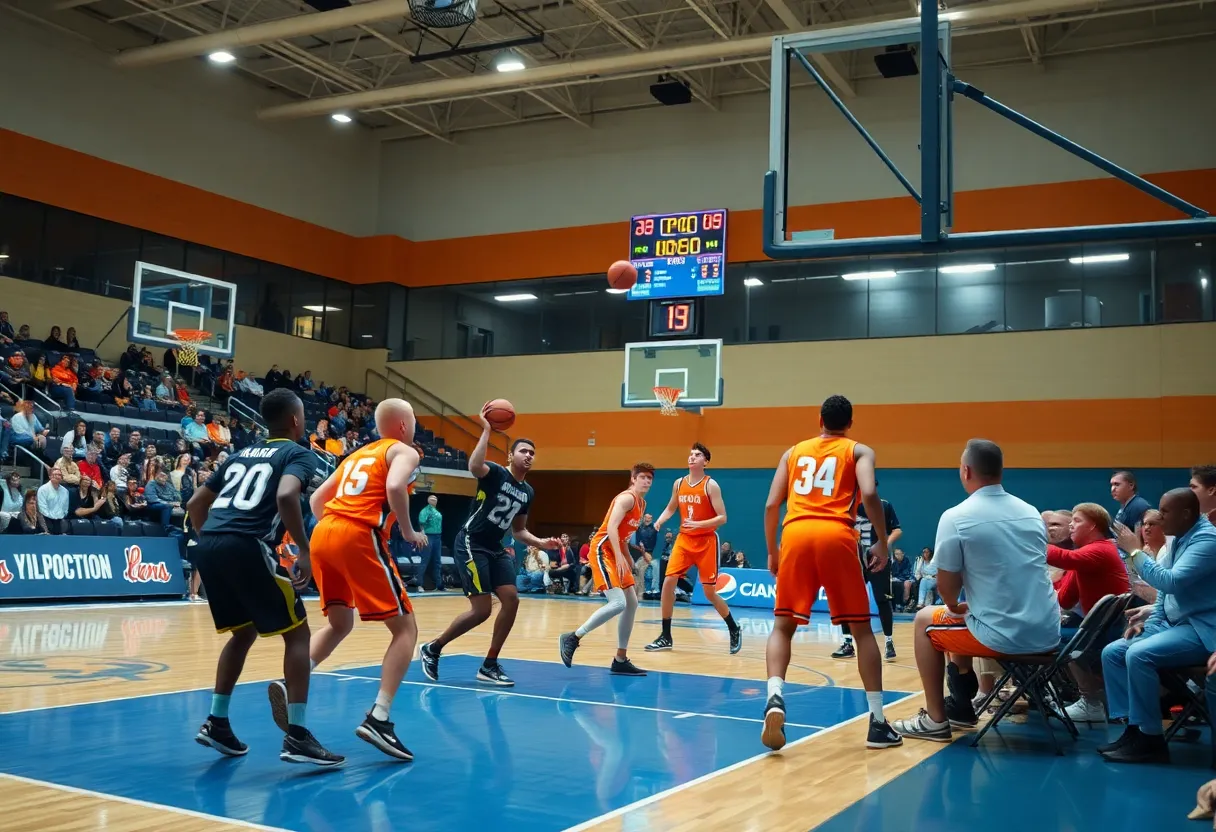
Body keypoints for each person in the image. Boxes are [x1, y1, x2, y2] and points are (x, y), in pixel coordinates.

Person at [185, 388, 342, 767]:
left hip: (210, 544)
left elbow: (194, 505)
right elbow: (288, 496)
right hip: (247, 543)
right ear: (295, 420)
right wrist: (304, 550)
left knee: (244, 632)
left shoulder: (239, 453)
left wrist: (215, 544)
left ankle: (217, 722)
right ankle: (299, 735)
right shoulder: (297, 453)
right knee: (300, 634)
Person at [892, 439, 1060, 742]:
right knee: (960, 618)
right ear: (1000, 471)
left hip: (1007, 635)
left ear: (965, 470)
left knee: (925, 620)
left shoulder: (956, 516)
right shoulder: (1032, 512)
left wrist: (954, 605)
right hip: (1048, 631)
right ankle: (959, 706)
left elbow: (947, 587)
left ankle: (935, 720)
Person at [760, 395, 902, 751]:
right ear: (850, 424)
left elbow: (770, 504)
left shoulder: (792, 452)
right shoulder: (859, 451)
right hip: (836, 537)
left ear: (819, 419)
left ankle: (775, 695)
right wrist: (882, 541)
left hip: (795, 534)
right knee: (861, 630)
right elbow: (868, 491)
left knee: (783, 626)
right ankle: (878, 723)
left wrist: (773, 551)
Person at [294, 398, 427, 761]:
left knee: (339, 622)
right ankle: (379, 718)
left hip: (324, 533)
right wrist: (409, 529)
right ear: (402, 425)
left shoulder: (356, 454)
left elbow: (318, 499)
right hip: (358, 534)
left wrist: (335, 528)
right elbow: (396, 488)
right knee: (406, 630)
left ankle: (296, 674)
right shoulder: (404, 451)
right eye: (413, 420)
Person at [419, 404, 559, 688]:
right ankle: (432, 648)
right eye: (524, 451)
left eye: (532, 453)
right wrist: (486, 430)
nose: (529, 456)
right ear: (511, 455)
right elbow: (473, 467)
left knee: (511, 598)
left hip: (496, 546)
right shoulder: (495, 472)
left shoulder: (527, 491)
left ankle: (489, 664)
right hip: (471, 541)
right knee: (482, 610)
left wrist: (540, 542)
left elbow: (518, 531)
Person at [559, 463, 655, 676]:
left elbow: (623, 535)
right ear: (633, 478)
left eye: (650, 478)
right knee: (619, 603)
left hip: (617, 551)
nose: (647, 481)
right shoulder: (626, 498)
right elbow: (611, 527)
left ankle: (620, 659)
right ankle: (573, 637)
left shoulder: (642, 503)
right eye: (643, 477)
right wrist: (620, 557)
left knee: (632, 603)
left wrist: (628, 556)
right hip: (603, 550)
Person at [644, 443, 740, 654]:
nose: (692, 457)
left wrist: (700, 524)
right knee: (668, 581)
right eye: (690, 454)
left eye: (697, 455)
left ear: (705, 461)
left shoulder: (711, 485)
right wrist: (659, 521)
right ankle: (665, 636)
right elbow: (672, 506)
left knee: (709, 592)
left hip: (706, 541)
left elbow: (722, 517)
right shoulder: (679, 483)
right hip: (684, 540)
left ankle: (734, 628)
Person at [833, 487, 902, 661]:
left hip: (878, 560)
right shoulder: (845, 506)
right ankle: (847, 643)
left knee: (882, 599)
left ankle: (888, 642)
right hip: (853, 560)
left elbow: (897, 529)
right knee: (845, 601)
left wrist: (884, 544)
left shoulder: (883, 505)